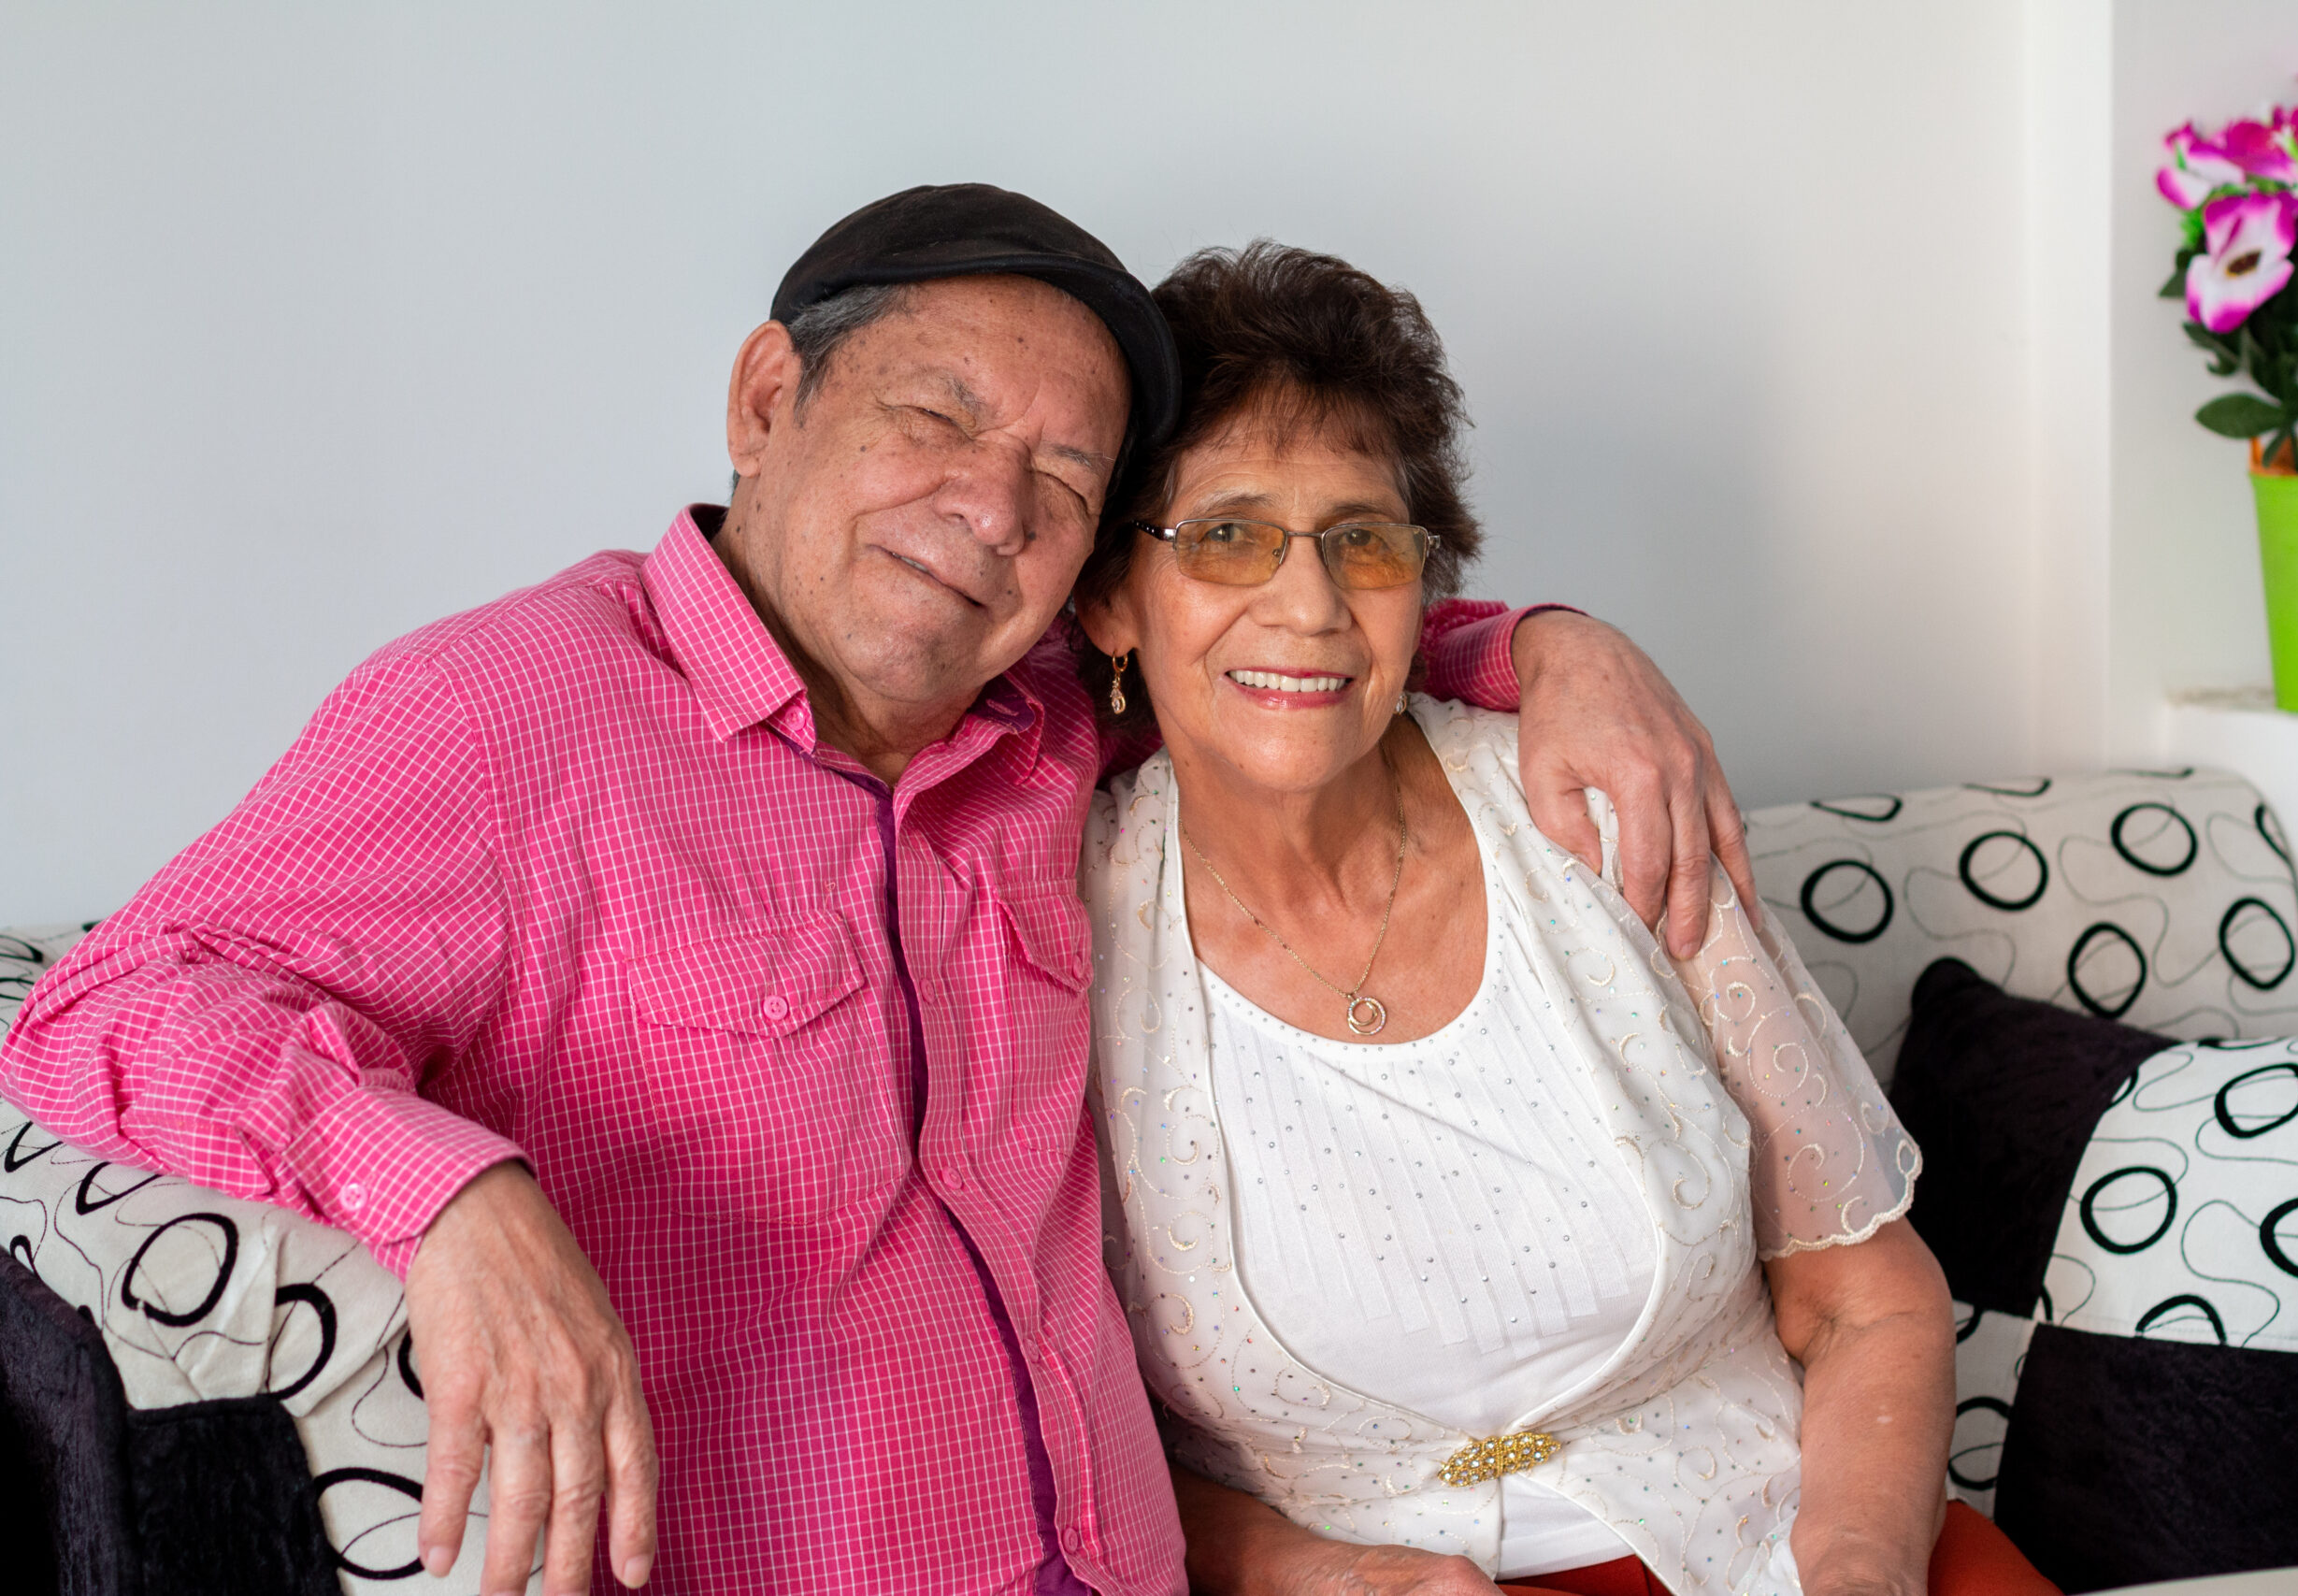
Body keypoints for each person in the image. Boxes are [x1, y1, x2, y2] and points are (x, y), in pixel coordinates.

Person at [0, 187, 1756, 1596]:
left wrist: (1547, 640)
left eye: (1065, 486)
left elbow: (1275, 643)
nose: (990, 508)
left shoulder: (1055, 726)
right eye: (938, 418)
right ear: (771, 400)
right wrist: (458, 1200)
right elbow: (108, 1007)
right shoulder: (511, 715)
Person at [1075, 243, 2058, 1596]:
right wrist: (1321, 1573)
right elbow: (1056, 1425)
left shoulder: (1590, 806)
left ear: (1426, 590)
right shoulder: (1044, 920)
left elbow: (1863, 1298)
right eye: (1228, 535)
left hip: (1794, 1538)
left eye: (1363, 541)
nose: (1307, 606)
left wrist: (1855, 1570)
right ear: (1112, 598)